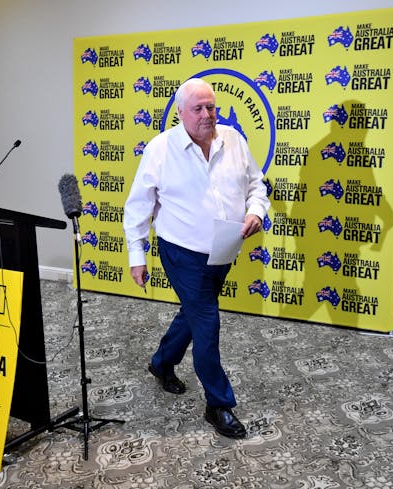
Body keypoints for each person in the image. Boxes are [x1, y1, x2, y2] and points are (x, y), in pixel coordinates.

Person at [123, 78, 270, 439]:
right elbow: (138, 206)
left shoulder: (233, 139)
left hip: (223, 248)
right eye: (198, 108)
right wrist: (136, 255)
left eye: (211, 107)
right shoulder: (160, 149)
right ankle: (218, 404)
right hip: (182, 252)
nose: (207, 115)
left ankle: (161, 363)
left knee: (192, 314)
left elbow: (257, 184)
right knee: (207, 321)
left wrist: (256, 211)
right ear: (180, 112)